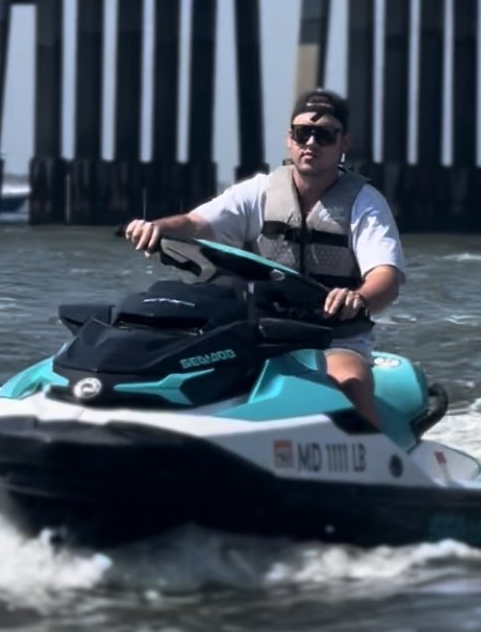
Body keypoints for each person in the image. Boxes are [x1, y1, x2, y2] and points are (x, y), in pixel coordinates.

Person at [124, 88, 405, 429]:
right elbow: (196, 224)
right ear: (290, 139)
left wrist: (357, 298)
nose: (311, 143)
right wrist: (156, 228)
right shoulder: (259, 192)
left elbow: (386, 276)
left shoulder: (364, 202)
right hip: (257, 332)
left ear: (344, 143)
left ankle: (378, 468)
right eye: (303, 133)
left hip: (334, 337)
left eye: (324, 135)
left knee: (351, 382)